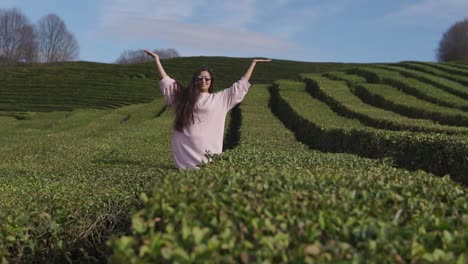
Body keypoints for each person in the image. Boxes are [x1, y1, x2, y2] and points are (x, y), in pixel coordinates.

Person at [143, 49, 271, 169]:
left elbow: (239, 86)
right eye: (200, 78)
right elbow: (167, 83)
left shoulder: (220, 99)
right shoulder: (185, 98)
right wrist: (157, 60)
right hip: (185, 152)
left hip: (209, 151)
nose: (203, 80)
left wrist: (253, 64)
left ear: (211, 81)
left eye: (207, 78)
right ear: (195, 81)